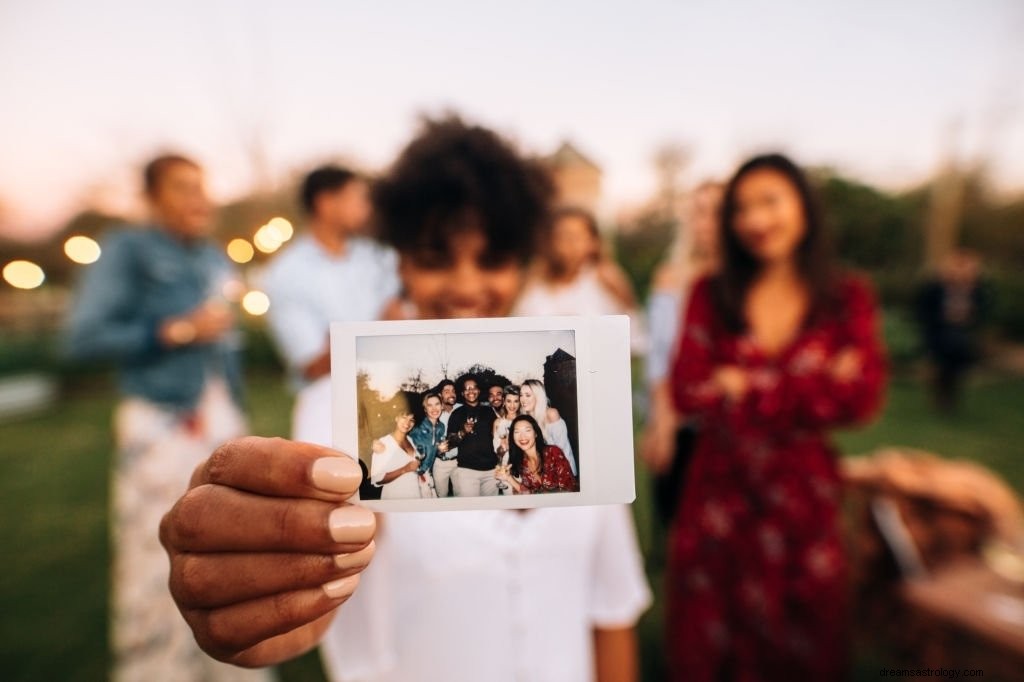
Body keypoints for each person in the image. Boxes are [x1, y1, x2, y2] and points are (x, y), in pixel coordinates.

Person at [159, 116, 650, 682]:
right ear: (402, 262)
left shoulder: (579, 387)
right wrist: (284, 581)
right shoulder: (342, 403)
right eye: (437, 258)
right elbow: (328, 560)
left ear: (520, 262)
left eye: (491, 260)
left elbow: (611, 604)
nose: (466, 285)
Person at [665, 154, 887, 681]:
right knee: (711, 638)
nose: (756, 220)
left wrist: (745, 385)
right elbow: (689, 390)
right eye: (742, 208)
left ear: (804, 208)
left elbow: (861, 398)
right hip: (719, 494)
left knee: (804, 639)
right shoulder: (710, 293)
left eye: (770, 201)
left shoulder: (844, 297)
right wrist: (811, 383)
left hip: (803, 499)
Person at [65, 154, 266, 681]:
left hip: (222, 420)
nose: (200, 199)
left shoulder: (213, 256)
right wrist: (175, 331)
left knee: (234, 548)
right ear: (152, 198)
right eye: (182, 188)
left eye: (203, 186)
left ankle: (236, 664)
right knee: (158, 556)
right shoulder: (127, 251)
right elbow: (82, 337)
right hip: (161, 423)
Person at [262, 165, 400, 390]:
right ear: (325, 203)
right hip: (329, 399)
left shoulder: (377, 256)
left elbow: (403, 315)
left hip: (392, 389)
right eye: (357, 199)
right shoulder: (287, 273)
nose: (366, 208)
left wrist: (346, 344)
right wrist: (386, 335)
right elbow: (312, 363)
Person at [640, 181, 724, 524]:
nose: (706, 223)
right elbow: (659, 355)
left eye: (717, 213)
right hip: (681, 418)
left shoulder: (754, 283)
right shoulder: (671, 278)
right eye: (699, 213)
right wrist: (662, 423)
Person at [513, 206, 644, 351]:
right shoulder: (531, 282)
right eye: (562, 236)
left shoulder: (605, 279)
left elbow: (633, 336)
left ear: (594, 242)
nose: (569, 244)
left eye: (577, 237)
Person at [915, 248, 990, 413]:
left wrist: (968, 319)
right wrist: (945, 318)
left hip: (963, 334)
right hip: (939, 333)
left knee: (958, 355)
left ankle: (949, 393)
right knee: (946, 354)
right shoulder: (934, 289)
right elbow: (922, 312)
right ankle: (941, 392)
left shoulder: (977, 291)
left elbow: (983, 312)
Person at [446, 374, 500, 496]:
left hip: (490, 470)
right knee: (470, 509)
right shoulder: (456, 414)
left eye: (474, 387)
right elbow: (450, 443)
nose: (471, 391)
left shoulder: (489, 411)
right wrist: (463, 432)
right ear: (462, 393)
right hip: (467, 470)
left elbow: (497, 435)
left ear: (479, 390)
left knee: (491, 508)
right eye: (467, 388)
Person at [498, 415, 578, 494]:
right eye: (517, 432)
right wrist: (508, 478)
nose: (522, 436)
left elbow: (569, 489)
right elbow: (529, 493)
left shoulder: (553, 452)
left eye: (527, 430)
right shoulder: (522, 463)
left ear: (536, 433)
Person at [370, 403, 429, 499]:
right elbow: (377, 479)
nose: (407, 423)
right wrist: (405, 469)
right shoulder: (383, 443)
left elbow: (414, 467)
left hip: (414, 492)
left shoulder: (410, 440)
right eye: (404, 417)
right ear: (396, 418)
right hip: (395, 495)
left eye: (411, 420)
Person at [520, 378, 578, 477]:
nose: (522, 399)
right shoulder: (527, 418)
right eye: (521, 395)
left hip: (563, 470)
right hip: (544, 472)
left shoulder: (551, 414)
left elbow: (563, 449)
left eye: (528, 395)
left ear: (538, 397)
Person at [430, 378, 461, 497]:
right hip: (440, 463)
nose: (451, 394)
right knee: (441, 497)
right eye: (447, 391)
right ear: (440, 395)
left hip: (459, 462)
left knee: (462, 496)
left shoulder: (461, 409)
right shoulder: (434, 412)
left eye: (453, 390)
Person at [407, 392, 448, 476]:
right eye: (429, 405)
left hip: (427, 473)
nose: (434, 409)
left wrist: (440, 450)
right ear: (425, 409)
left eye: (437, 404)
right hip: (410, 471)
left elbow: (433, 451)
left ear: (442, 406)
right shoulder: (417, 425)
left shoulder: (441, 427)